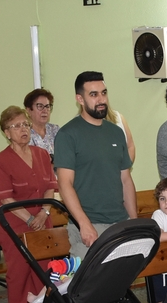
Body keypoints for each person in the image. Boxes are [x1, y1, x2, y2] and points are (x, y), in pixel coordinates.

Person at [53, 71, 136, 258]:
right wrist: (84, 224)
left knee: (119, 284)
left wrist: (133, 221)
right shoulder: (68, 134)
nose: (101, 99)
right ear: (79, 99)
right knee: (87, 286)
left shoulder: (115, 132)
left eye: (104, 93)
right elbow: (65, 184)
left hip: (120, 223)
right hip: (90, 225)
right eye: (93, 94)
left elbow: (126, 180)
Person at [0, 106, 58, 303]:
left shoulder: (41, 154)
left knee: (45, 268)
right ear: (6, 132)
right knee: (19, 271)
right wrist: (30, 219)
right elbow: (5, 199)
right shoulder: (2, 160)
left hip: (42, 219)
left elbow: (50, 186)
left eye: (25, 124)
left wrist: (43, 212)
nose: (23, 129)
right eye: (16, 126)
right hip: (15, 223)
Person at [24, 88, 59, 158]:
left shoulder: (55, 130)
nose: (45, 110)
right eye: (40, 106)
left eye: (47, 106)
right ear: (28, 110)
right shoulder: (24, 133)